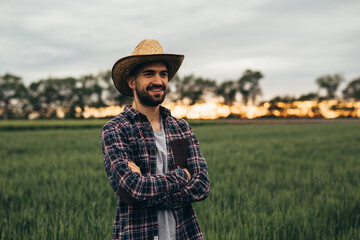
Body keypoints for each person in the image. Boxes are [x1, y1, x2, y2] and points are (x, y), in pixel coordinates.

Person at [101, 39, 210, 240]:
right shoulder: (116, 130)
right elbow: (134, 189)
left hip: (185, 234)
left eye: (163, 74)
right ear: (132, 82)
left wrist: (149, 189)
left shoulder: (181, 128)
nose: (158, 81)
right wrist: (183, 176)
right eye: (149, 73)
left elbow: (202, 185)